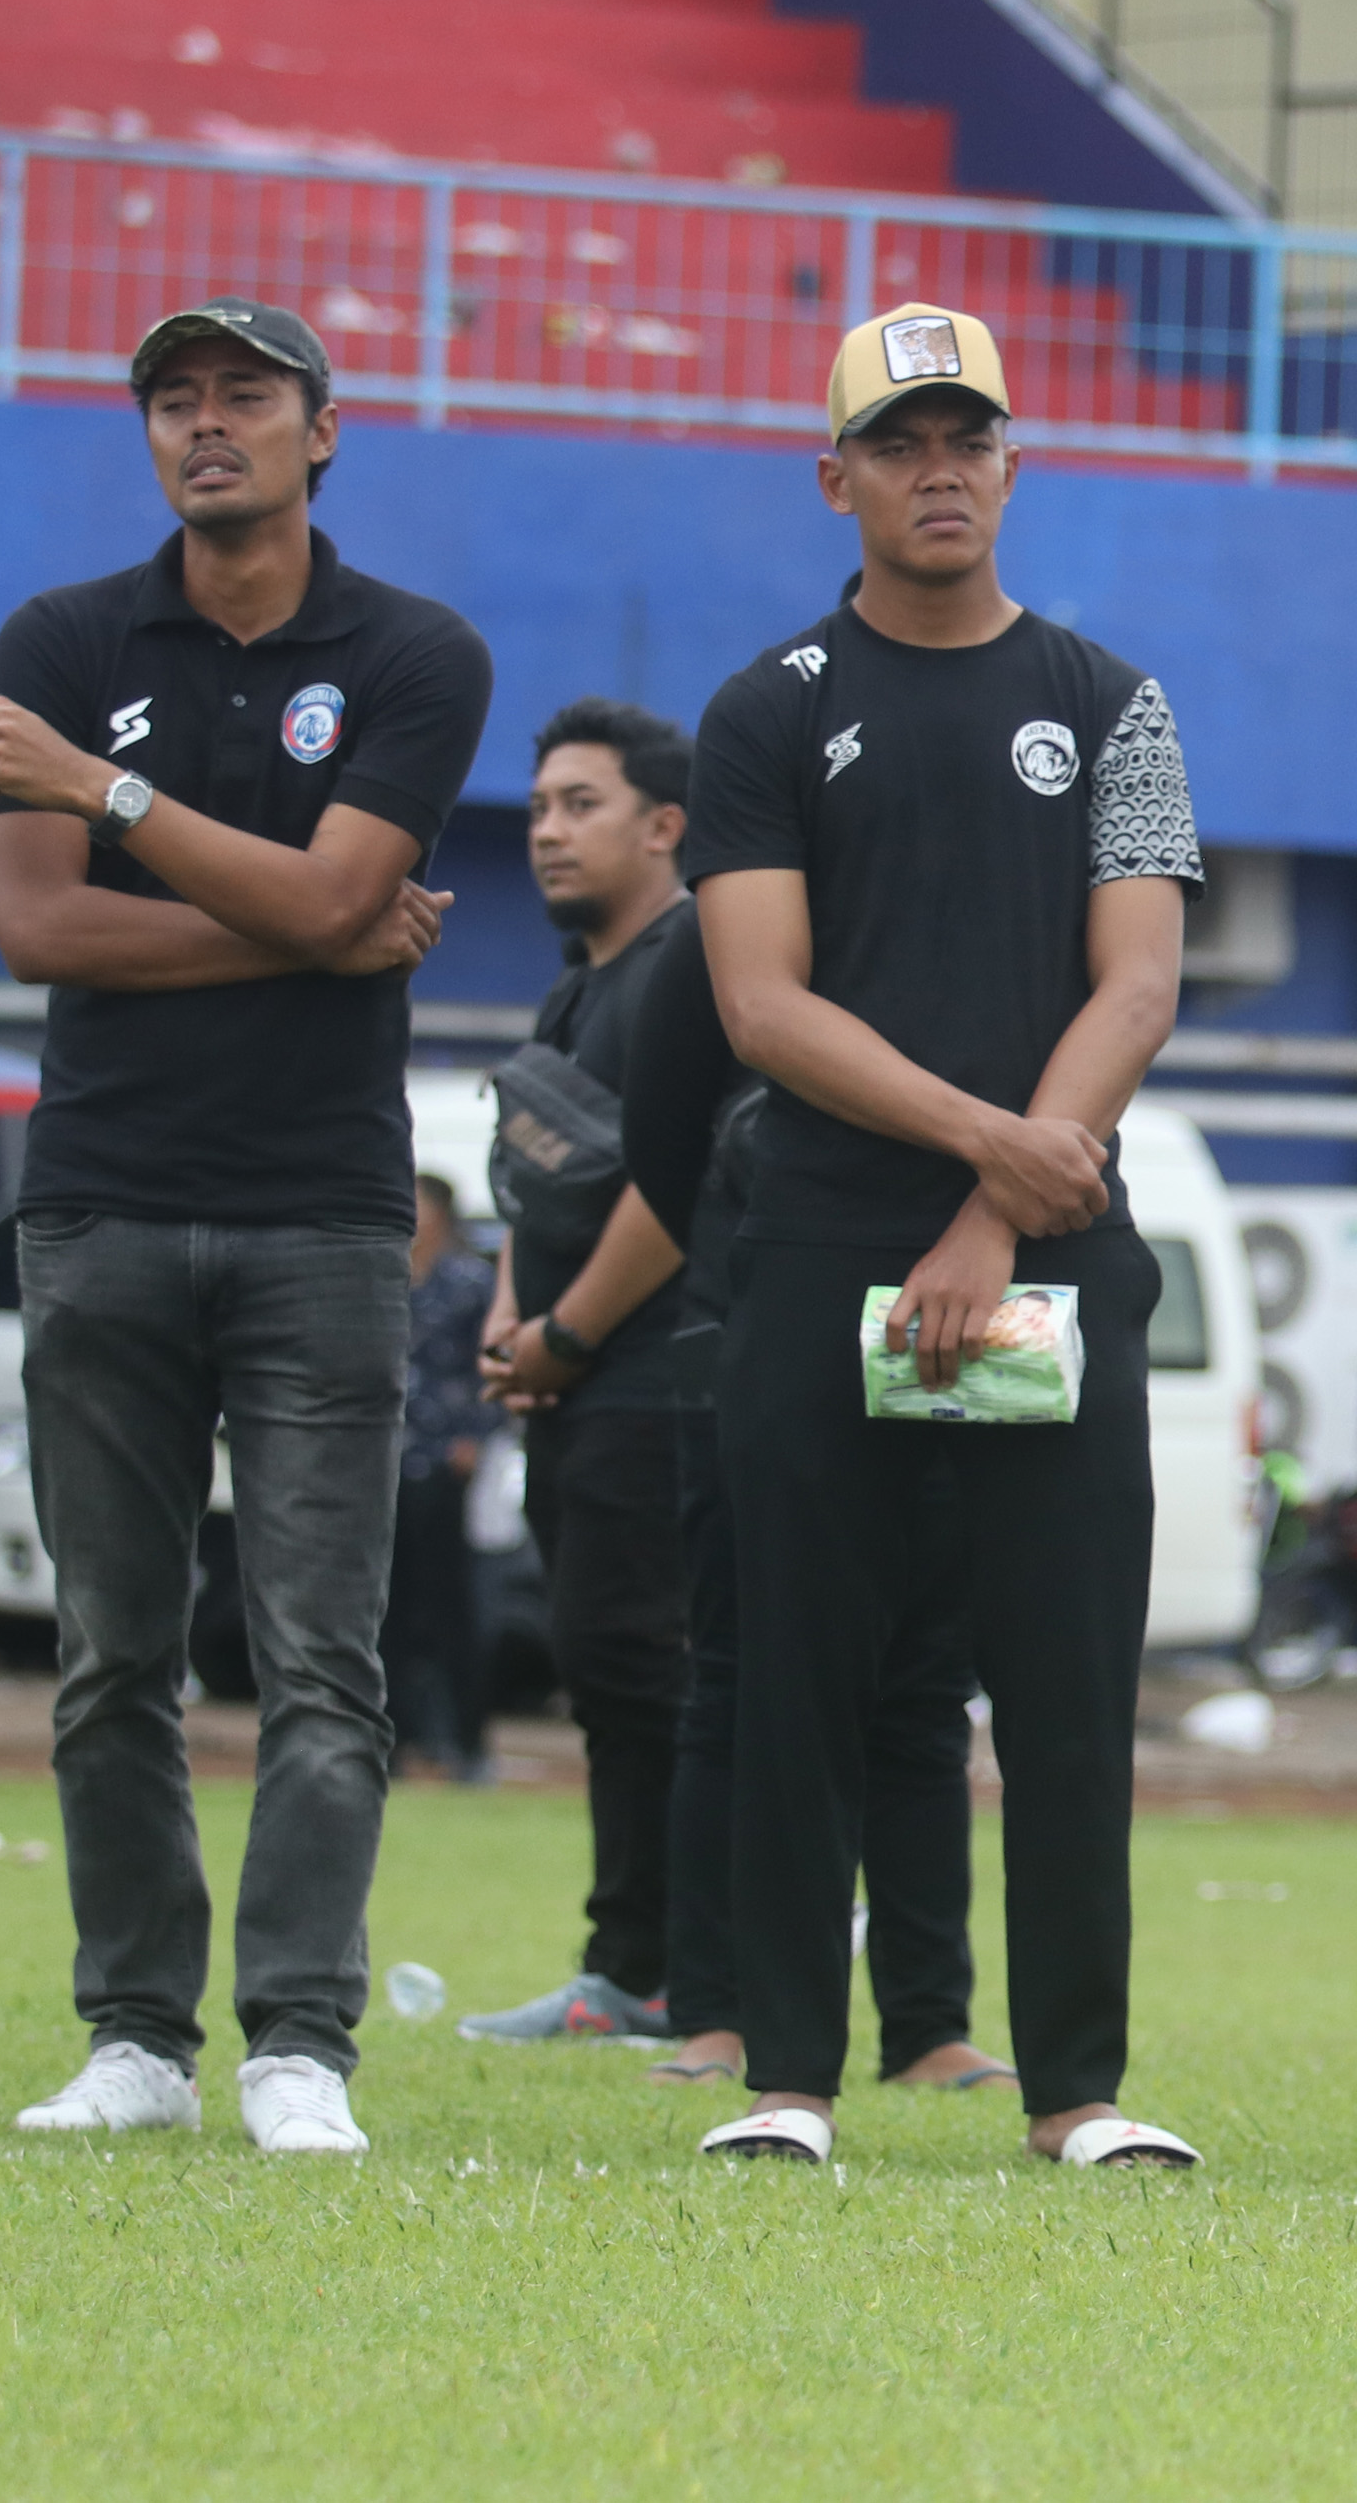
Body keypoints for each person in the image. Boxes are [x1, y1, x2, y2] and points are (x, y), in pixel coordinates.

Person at [0, 295, 490, 2156]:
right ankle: (135, 2035)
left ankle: (299, 2042)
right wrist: (312, 926)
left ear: (320, 429)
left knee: (321, 1653)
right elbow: (44, 930)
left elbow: (336, 891)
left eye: (245, 395)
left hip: (324, 1216)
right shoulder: (59, 638)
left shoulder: (415, 650)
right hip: (100, 1201)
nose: (207, 423)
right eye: (174, 398)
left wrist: (109, 793)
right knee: (111, 1650)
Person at [682, 302, 1204, 2171]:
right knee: (800, 1677)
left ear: (1012, 462)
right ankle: (786, 2084)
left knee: (1064, 1691)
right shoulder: (765, 708)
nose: (939, 471)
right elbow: (763, 1003)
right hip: (821, 1248)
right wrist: (987, 1142)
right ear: (835, 479)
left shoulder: (1115, 702)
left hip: (1046, 1257)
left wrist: (995, 1214)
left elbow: (1139, 984)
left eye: (967, 437)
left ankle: (1077, 2092)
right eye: (899, 442)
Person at [620, 907, 1005, 2097]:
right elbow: (660, 1127)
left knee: (923, 1686)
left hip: (941, 1331)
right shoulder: (733, 907)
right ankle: (718, 2010)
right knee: (741, 1680)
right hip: (750, 1330)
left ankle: (927, 2021)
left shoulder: (984, 908)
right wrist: (750, 1260)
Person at [462, 702, 700, 2045]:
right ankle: (630, 1967)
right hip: (572, 1381)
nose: (548, 829)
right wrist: (516, 1317)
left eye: (582, 803)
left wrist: (568, 1333)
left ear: (665, 825)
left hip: (653, 1385)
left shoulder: (687, 969)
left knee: (647, 1670)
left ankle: (664, 1973)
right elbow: (535, 1179)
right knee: (603, 1670)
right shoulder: (577, 983)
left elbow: (680, 1184)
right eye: (542, 805)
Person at [389, 1172, 500, 1781]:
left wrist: (477, 1435)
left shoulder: (468, 1282)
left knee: (449, 1600)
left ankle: (465, 1739)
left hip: (442, 1458)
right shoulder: (379, 1274)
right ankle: (394, 1738)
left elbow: (493, 1359)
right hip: (384, 1460)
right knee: (386, 1604)